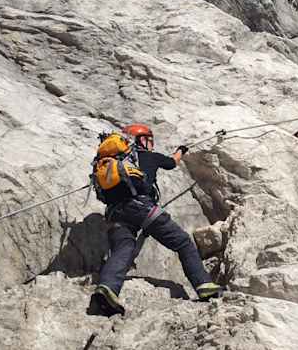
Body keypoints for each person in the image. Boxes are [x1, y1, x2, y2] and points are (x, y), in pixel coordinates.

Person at [90, 123, 221, 316]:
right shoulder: (148, 156)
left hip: (115, 214)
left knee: (122, 250)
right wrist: (181, 151)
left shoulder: (110, 164)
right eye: (149, 140)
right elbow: (172, 162)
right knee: (183, 242)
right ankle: (204, 285)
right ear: (140, 140)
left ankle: (107, 289)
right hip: (142, 208)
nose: (151, 144)